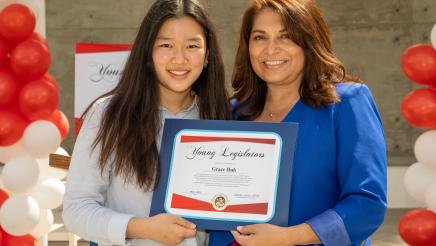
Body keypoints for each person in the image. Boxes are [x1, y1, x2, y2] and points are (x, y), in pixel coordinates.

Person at [209, 0, 387, 245]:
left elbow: (368, 204)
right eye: (260, 37)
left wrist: (289, 237)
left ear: (309, 42)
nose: (271, 50)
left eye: (285, 37)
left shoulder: (347, 103)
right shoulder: (233, 113)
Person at [62, 0, 231, 245]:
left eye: (192, 45)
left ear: (207, 56)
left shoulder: (220, 117)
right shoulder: (108, 115)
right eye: (166, 45)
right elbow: (76, 210)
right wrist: (142, 228)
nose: (180, 58)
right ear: (148, 52)